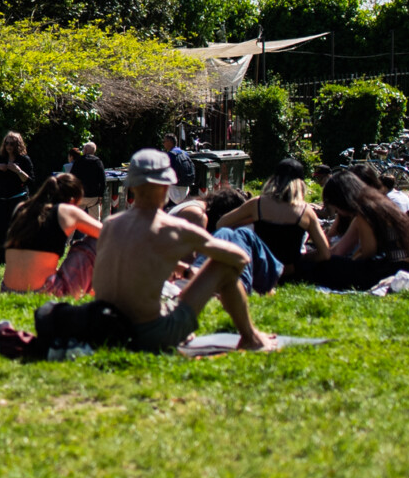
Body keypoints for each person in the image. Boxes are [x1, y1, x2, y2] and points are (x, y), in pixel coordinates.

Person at [92, 149, 274, 352]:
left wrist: (178, 266)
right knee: (224, 265)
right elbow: (240, 259)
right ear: (166, 187)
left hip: (105, 328)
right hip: (148, 336)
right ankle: (251, 337)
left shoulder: (110, 224)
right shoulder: (172, 228)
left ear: (132, 188)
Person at [305, 170, 409, 288]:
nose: (337, 212)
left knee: (328, 266)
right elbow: (339, 249)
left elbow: (368, 254)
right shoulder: (378, 203)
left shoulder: (365, 213)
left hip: (397, 271)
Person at [218, 158, 330, 263]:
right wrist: (302, 261)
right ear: (300, 183)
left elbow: (221, 224)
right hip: (290, 270)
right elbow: (325, 253)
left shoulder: (257, 203)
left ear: (274, 179)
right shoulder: (305, 211)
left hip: (263, 268)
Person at [0, 173, 97, 293]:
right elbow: (108, 233)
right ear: (72, 200)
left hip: (7, 291)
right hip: (44, 292)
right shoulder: (67, 210)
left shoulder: (22, 208)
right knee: (93, 243)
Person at [69, 138, 107, 211]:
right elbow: (102, 179)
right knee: (94, 219)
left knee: (78, 218)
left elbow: (72, 177)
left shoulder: (78, 161)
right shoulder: (98, 162)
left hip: (80, 195)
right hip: (93, 196)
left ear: (85, 150)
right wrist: (100, 195)